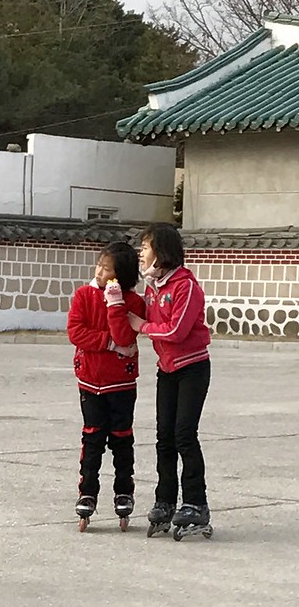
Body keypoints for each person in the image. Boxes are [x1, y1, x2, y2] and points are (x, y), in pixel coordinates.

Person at [127, 222, 212, 533]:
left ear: (161, 253)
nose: (141, 253)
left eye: (146, 248)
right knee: (164, 437)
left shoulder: (185, 286)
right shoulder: (154, 288)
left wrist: (140, 326)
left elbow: (176, 331)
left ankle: (196, 503)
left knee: (184, 435)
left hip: (192, 368)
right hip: (167, 370)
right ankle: (165, 500)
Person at [67, 242, 146, 529]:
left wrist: (115, 304)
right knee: (92, 438)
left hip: (121, 383)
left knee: (122, 438)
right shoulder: (83, 295)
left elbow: (126, 337)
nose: (99, 271)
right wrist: (108, 343)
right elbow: (76, 332)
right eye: (99, 265)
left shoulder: (133, 302)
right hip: (90, 381)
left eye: (107, 268)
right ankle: (87, 493)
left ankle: (124, 492)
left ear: (120, 275)